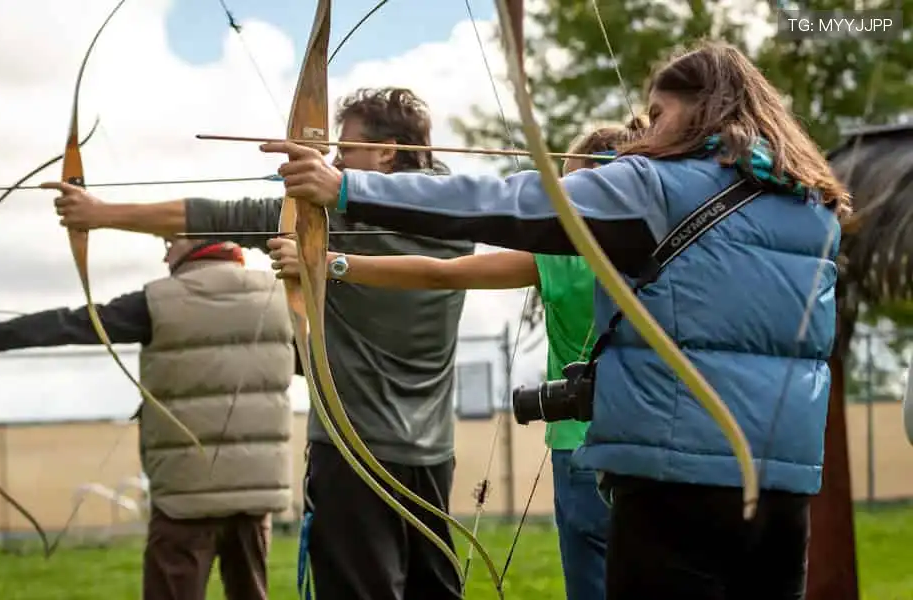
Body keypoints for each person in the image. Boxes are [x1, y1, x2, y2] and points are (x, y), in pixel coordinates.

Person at [261, 42, 848, 600]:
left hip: (674, 484)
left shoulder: (654, 187)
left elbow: (508, 202)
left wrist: (346, 188)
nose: (646, 130)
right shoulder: (811, 206)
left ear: (699, 111)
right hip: (781, 488)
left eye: (658, 113)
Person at [44, 87, 476, 600]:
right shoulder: (459, 215)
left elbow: (217, 216)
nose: (336, 160)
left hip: (352, 453)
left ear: (386, 151)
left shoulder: (336, 222)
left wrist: (102, 213)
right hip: (431, 454)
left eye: (347, 149)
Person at [268, 120, 642, 600]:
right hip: (658, 445)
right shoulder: (674, 247)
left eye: (573, 186)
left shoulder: (561, 254)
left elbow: (442, 273)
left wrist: (332, 263)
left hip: (579, 449)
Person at [0, 237, 293, 600]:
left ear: (197, 241)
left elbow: (71, 324)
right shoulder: (278, 297)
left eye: (171, 241)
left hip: (186, 496)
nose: (165, 252)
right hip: (256, 494)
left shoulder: (159, 300)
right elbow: (319, 367)